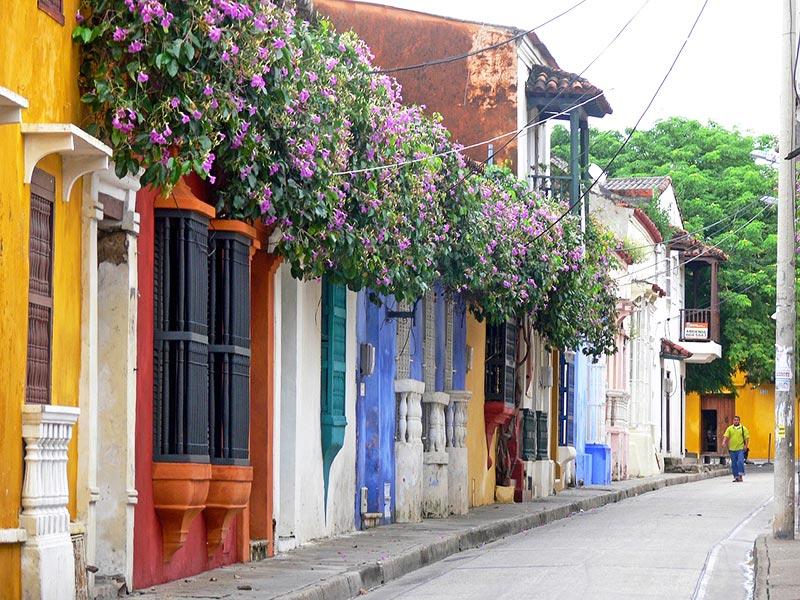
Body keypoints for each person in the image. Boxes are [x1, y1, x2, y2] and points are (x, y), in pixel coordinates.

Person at [721, 415, 750, 482]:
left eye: (737, 420)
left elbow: (747, 437)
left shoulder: (743, 428)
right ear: (733, 421)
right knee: (734, 463)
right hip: (732, 449)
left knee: (740, 462)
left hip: (740, 448)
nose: (736, 421)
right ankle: (736, 477)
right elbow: (726, 436)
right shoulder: (730, 428)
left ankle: (740, 475)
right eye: (734, 420)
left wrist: (746, 445)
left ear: (739, 421)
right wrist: (723, 442)